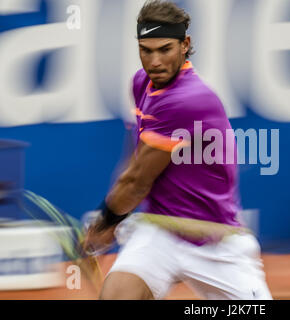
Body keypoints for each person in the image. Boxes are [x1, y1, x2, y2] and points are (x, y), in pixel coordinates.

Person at [84, 0, 272, 300]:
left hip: (214, 241)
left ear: (185, 45)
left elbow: (137, 181)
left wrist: (105, 221)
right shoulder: (141, 83)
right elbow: (134, 159)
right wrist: (108, 218)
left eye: (165, 49)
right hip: (158, 231)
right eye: (146, 50)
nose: (154, 61)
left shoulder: (187, 100)